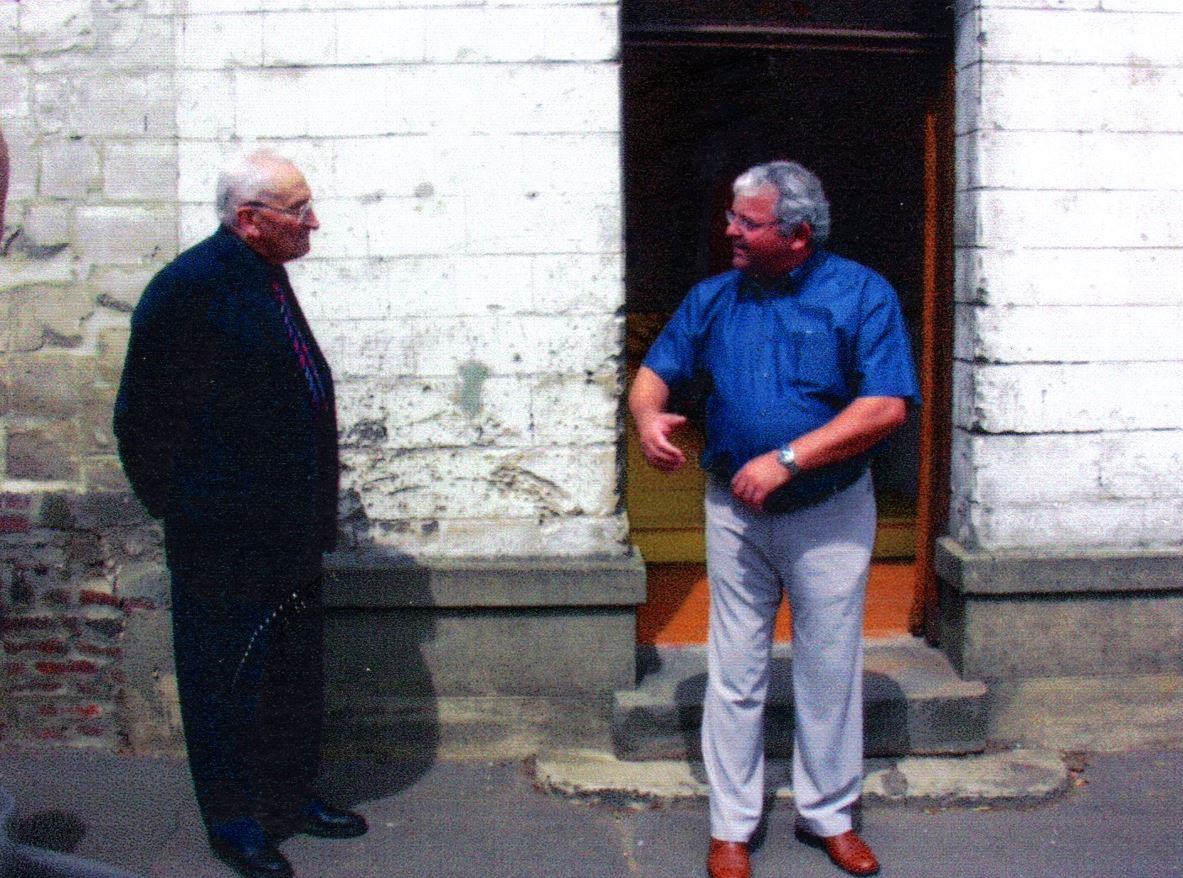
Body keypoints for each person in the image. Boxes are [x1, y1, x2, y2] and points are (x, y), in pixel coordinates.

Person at [630, 161, 919, 878]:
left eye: (745, 221)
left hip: (828, 510)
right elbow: (653, 371)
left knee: (826, 667)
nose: (728, 229)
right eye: (732, 216)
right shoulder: (713, 298)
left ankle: (828, 816)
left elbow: (884, 406)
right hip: (732, 508)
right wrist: (645, 419)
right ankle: (732, 824)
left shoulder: (860, 295)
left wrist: (789, 458)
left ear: (795, 235)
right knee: (734, 671)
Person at [114, 150, 366, 878]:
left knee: (289, 671)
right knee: (225, 678)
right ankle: (235, 821)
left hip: (285, 531)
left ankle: (290, 797)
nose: (312, 221)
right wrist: (189, 513)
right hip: (223, 538)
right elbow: (140, 421)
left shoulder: (264, 274)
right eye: (298, 210)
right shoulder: (188, 288)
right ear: (250, 220)